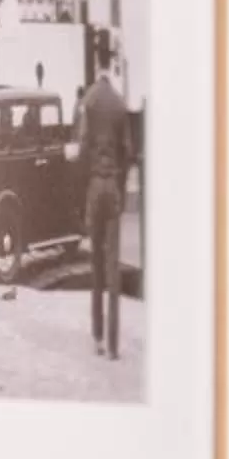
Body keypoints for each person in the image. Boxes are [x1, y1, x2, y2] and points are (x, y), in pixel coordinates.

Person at [79, 57, 131, 361]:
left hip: (94, 187)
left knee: (95, 264)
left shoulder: (89, 100)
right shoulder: (120, 105)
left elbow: (83, 147)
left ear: (95, 67)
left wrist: (86, 187)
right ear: (111, 70)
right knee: (113, 266)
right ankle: (113, 345)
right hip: (113, 187)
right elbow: (129, 152)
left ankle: (97, 337)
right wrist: (120, 191)